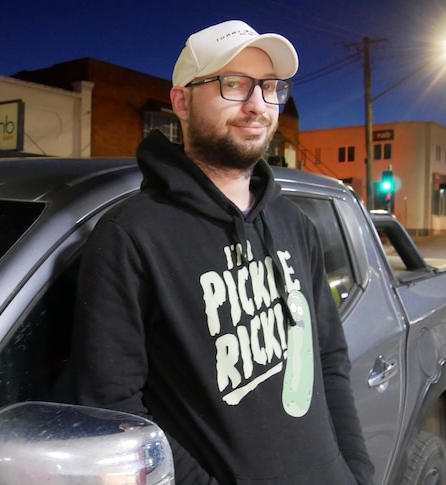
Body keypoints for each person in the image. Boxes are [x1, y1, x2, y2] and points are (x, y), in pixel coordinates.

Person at [72, 19, 375, 484]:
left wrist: (355, 471)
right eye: (233, 84)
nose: (258, 105)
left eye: (270, 87)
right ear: (181, 101)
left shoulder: (296, 224)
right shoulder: (131, 236)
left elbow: (329, 358)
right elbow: (114, 410)